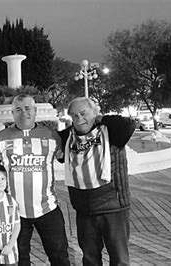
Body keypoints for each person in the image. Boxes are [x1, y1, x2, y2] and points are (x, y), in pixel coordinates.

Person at [0, 94, 70, 266]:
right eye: (18, 109)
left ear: (35, 111)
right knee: (19, 259)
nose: (23, 113)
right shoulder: (1, 138)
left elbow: (68, 156)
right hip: (14, 212)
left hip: (48, 208)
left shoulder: (51, 136)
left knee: (60, 257)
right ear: (12, 113)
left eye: (28, 108)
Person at [58, 97, 135, 265]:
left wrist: (100, 119)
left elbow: (128, 124)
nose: (79, 119)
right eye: (74, 115)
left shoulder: (112, 132)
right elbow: (57, 153)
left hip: (113, 206)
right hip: (84, 209)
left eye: (84, 113)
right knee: (90, 258)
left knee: (119, 259)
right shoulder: (68, 138)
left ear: (95, 112)